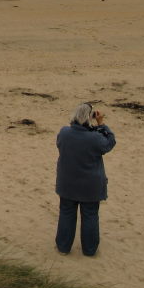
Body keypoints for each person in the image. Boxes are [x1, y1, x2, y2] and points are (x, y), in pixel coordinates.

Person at [55, 102, 116, 257]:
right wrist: (101, 123)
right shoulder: (94, 138)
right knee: (90, 215)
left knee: (67, 213)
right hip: (90, 186)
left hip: (68, 183)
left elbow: (61, 143)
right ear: (90, 118)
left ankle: (63, 247)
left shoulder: (64, 133)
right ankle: (89, 250)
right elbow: (110, 142)